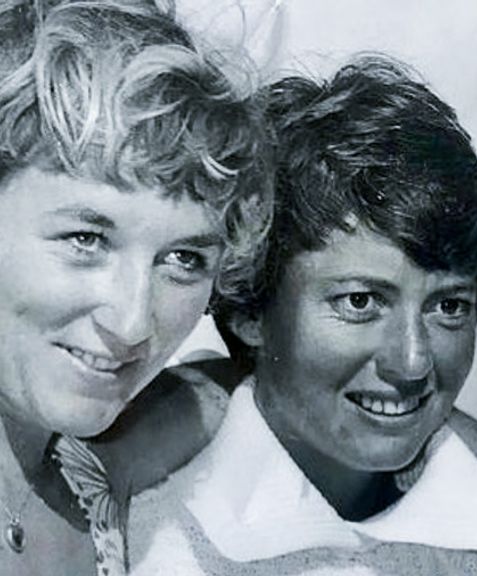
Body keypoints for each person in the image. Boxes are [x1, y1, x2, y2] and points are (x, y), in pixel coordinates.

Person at [127, 54, 477, 576]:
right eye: (360, 302)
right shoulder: (148, 539)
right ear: (249, 310)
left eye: (448, 306)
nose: (413, 361)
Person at [0, 0, 271, 575]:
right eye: (85, 239)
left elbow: (288, 385)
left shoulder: (90, 478)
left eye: (183, 259)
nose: (131, 324)